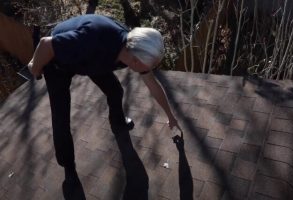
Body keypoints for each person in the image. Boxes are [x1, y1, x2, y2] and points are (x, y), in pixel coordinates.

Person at [28, 14, 181, 183]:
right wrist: (35, 67)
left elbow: (153, 86)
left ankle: (117, 122)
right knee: (61, 116)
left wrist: (171, 117)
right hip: (57, 59)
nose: (151, 69)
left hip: (90, 60)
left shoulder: (133, 46)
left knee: (115, 90)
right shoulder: (93, 40)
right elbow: (45, 44)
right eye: (151, 65)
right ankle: (68, 166)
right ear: (136, 61)